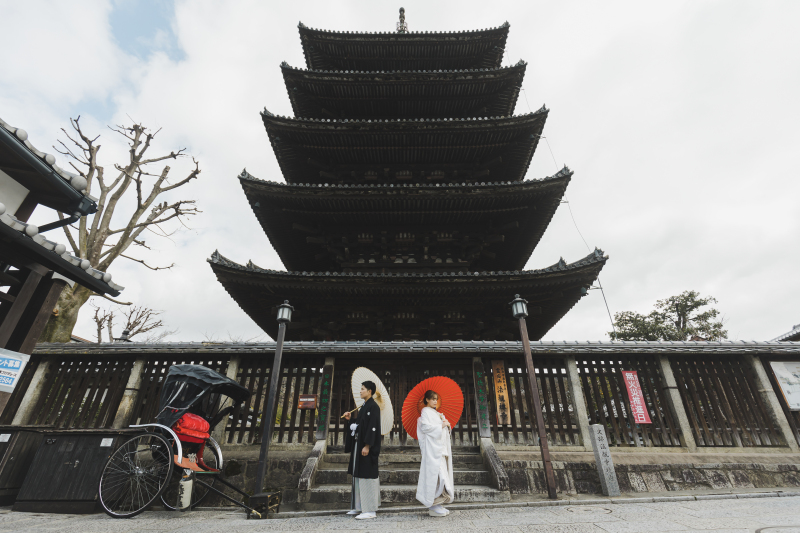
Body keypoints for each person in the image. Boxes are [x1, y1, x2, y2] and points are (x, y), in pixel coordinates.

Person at [343, 381, 382, 520]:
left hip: (366, 448)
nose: (360, 391)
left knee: (367, 476)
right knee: (359, 475)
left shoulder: (374, 407)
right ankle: (359, 506)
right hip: (359, 446)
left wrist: (367, 445)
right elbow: (360, 425)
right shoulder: (364, 406)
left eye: (363, 389)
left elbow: (373, 428)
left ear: (370, 391)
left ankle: (370, 509)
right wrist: (350, 421)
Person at [415, 390, 454, 517]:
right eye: (432, 399)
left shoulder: (438, 413)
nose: (435, 401)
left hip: (440, 449)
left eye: (436, 398)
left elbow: (443, 428)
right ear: (427, 400)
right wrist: (441, 425)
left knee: (442, 476)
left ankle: (438, 503)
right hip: (432, 450)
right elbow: (426, 428)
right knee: (438, 476)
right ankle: (433, 504)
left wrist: (446, 425)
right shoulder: (425, 412)